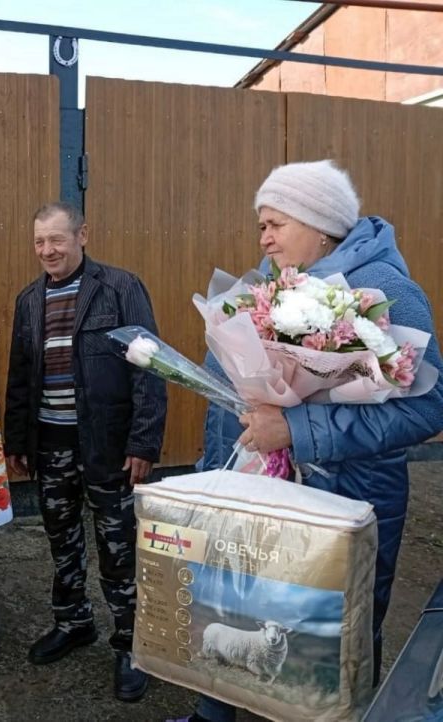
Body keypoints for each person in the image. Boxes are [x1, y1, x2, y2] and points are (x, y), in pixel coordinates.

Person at [175, 160, 443, 722]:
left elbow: (428, 406)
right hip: (255, 486)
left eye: (276, 224)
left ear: (322, 225)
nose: (264, 238)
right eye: (261, 226)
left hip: (348, 497)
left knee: (329, 642)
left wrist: (298, 431)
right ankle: (215, 713)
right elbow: (230, 391)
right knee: (236, 605)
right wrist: (216, 471)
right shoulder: (263, 287)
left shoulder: (388, 290)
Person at [3, 201, 168, 702]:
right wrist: (16, 441)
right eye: (39, 242)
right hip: (49, 445)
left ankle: (131, 645)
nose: (47, 250)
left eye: (57, 239)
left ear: (83, 235)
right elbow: (20, 377)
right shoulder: (29, 300)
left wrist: (143, 441)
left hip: (107, 447)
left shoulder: (120, 288)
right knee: (62, 540)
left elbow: (150, 368)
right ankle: (73, 622)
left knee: (118, 548)